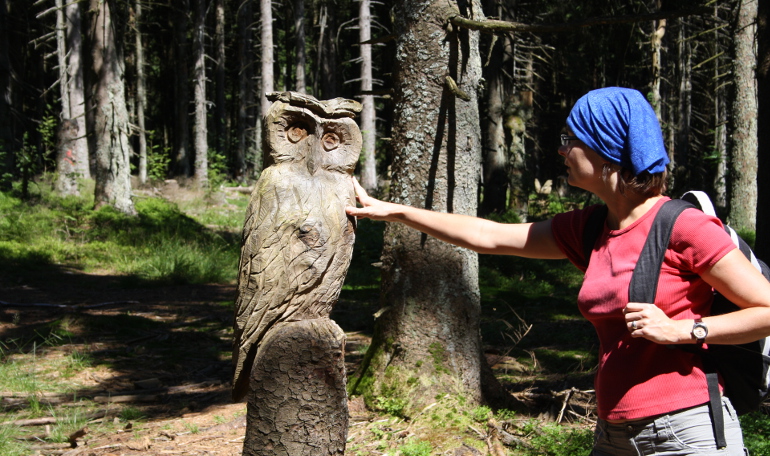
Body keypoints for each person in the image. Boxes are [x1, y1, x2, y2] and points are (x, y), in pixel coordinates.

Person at [345, 87, 770, 455]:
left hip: (685, 432)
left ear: (607, 150)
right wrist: (395, 212)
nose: (562, 150)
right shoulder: (589, 228)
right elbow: (488, 235)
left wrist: (684, 330)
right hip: (613, 435)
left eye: (571, 139)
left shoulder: (683, 225)